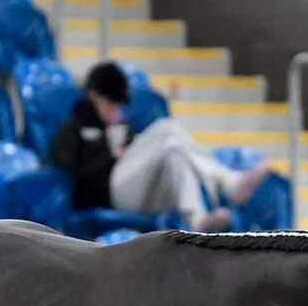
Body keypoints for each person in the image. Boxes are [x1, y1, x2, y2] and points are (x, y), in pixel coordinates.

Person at [50, 62, 271, 233]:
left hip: (145, 192)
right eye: (110, 104)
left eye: (117, 105)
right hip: (109, 193)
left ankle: (197, 219)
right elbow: (69, 171)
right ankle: (228, 181)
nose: (114, 110)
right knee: (167, 128)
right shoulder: (72, 129)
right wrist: (109, 155)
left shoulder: (121, 127)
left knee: (175, 151)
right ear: (94, 96)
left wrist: (126, 146)